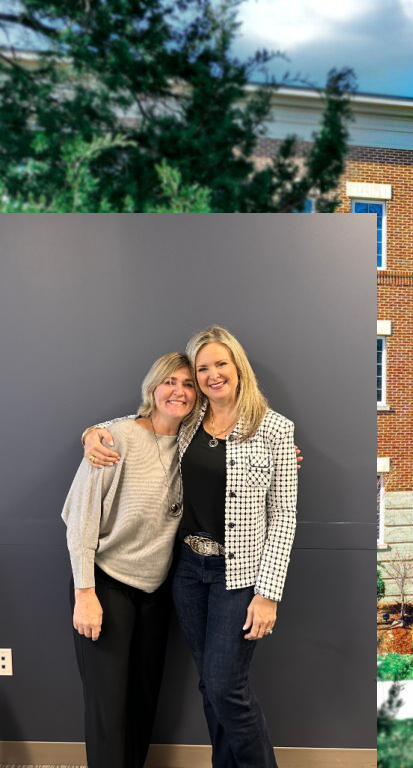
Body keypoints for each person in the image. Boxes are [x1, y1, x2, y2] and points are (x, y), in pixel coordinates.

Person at [85, 326, 297, 768]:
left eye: (220, 364)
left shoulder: (275, 429)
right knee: (208, 684)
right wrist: (92, 431)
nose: (211, 374)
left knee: (225, 686)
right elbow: (141, 422)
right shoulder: (190, 420)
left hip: (238, 575)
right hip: (186, 571)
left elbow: (284, 517)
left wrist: (268, 594)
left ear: (238, 367)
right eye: (202, 368)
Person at [63, 353, 197, 768]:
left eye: (189, 384)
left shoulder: (195, 443)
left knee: (143, 700)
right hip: (105, 583)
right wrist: (85, 593)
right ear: (153, 388)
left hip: (157, 589)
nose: (179, 391)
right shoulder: (115, 438)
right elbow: (79, 518)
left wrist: (281, 456)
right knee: (108, 705)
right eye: (170, 381)